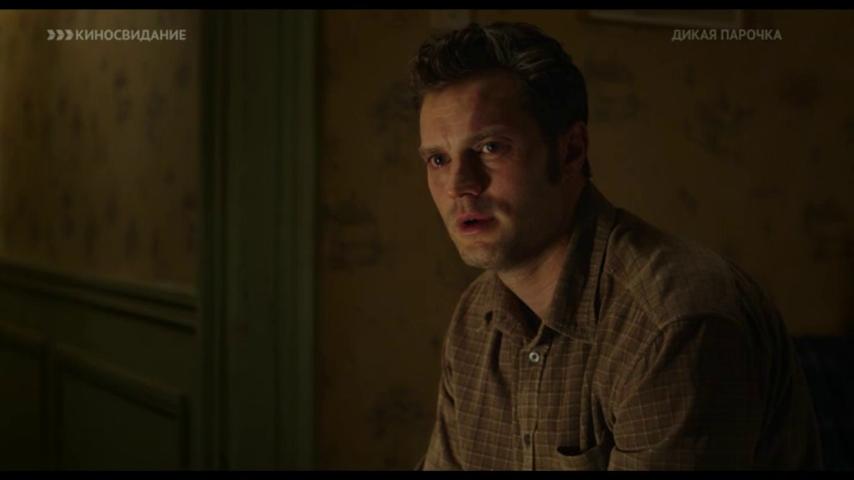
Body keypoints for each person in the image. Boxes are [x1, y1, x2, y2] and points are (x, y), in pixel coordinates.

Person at [409, 21, 822, 470]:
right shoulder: (475, 319)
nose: (458, 185)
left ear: (571, 150)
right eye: (438, 159)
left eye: (491, 147)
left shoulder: (671, 323)